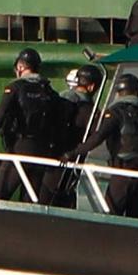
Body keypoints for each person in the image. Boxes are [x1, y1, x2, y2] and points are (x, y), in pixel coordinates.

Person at [64, 73, 138, 218]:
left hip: (122, 173)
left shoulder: (116, 112)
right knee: (136, 217)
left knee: (111, 216)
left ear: (119, 93)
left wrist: (71, 153)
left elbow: (97, 138)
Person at [0, 47, 61, 202]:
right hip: (41, 150)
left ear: (20, 67)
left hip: (18, 148)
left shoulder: (14, 88)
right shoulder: (50, 91)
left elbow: (0, 115)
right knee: (29, 201)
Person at [45, 64, 103, 208]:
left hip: (50, 155)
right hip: (68, 158)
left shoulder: (61, 99)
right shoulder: (89, 110)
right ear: (92, 87)